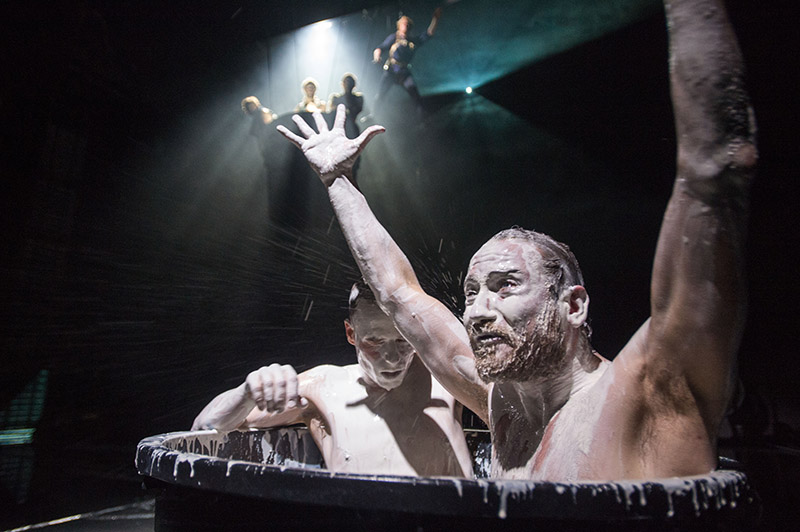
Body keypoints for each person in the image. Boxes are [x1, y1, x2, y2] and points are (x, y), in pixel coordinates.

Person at [278, 0, 757, 481]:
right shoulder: (502, 400)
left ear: (573, 305)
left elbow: (718, 169)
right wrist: (339, 182)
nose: (477, 311)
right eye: (471, 292)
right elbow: (397, 293)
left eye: (504, 285)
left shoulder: (650, 395)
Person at [192, 281, 474, 477]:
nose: (391, 357)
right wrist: (248, 391)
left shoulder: (448, 378)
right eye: (374, 341)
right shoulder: (325, 386)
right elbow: (204, 429)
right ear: (351, 334)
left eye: (403, 341)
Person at [372, 8, 441, 115]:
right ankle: (373, 114)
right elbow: (380, 48)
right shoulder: (393, 38)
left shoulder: (413, 41)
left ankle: (423, 115)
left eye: (408, 24)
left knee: (414, 93)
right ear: (399, 25)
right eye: (404, 24)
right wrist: (377, 56)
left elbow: (429, 33)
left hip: (403, 72)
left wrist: (435, 19)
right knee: (381, 94)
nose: (406, 26)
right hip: (391, 71)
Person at [327, 73, 364, 138]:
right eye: (346, 82)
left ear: (353, 85)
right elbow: (331, 113)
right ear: (342, 84)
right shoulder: (335, 98)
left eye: (350, 82)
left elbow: (356, 110)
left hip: (352, 129)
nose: (348, 85)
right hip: (336, 129)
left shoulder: (358, 98)